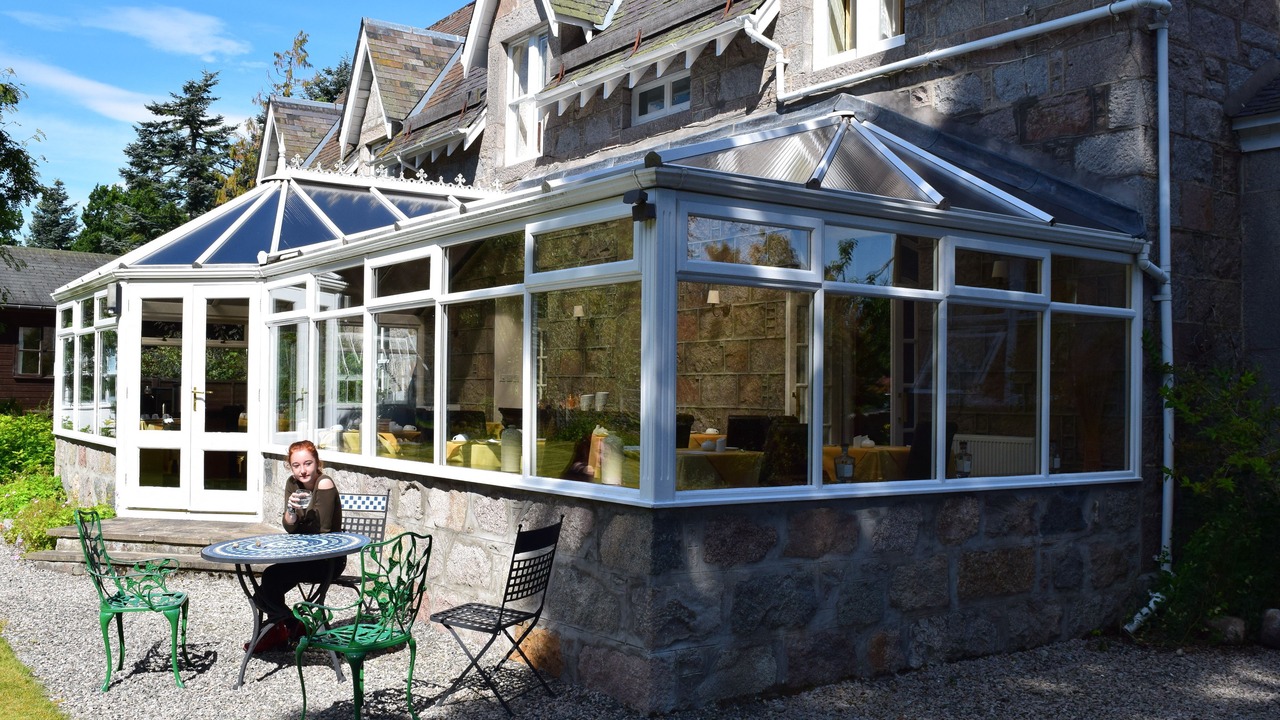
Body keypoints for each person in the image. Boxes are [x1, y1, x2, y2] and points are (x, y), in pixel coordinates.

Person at [249, 439, 344, 652]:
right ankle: (292, 625)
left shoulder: (324, 483)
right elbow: (290, 528)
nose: (303, 470)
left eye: (308, 463)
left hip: (328, 560)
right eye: (297, 465)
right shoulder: (292, 484)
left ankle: (283, 628)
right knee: (267, 583)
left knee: (269, 584)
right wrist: (291, 512)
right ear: (290, 467)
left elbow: (324, 531)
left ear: (317, 462)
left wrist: (301, 524)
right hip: (304, 557)